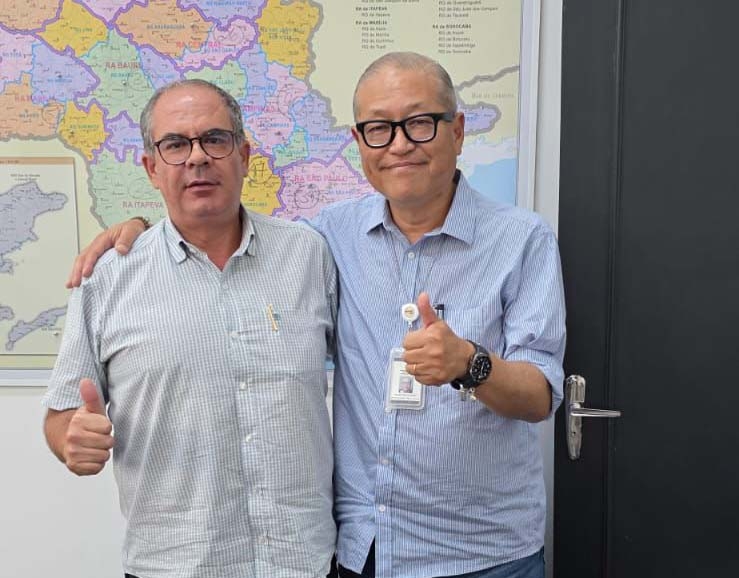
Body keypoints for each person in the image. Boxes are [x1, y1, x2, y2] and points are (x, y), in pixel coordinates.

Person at [68, 53, 566, 578]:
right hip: (365, 551)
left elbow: (540, 396)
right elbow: (219, 230)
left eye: (420, 123)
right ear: (359, 142)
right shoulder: (328, 238)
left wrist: (469, 363)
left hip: (484, 554)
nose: (399, 144)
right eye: (379, 128)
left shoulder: (521, 239)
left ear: (457, 131)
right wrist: (143, 231)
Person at [44, 79, 337, 578]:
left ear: (244, 156)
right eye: (176, 144)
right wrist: (70, 440)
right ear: (151, 168)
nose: (197, 157)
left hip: (302, 562)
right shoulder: (109, 278)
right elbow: (61, 415)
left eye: (215, 139)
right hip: (174, 565)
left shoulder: (308, 256)